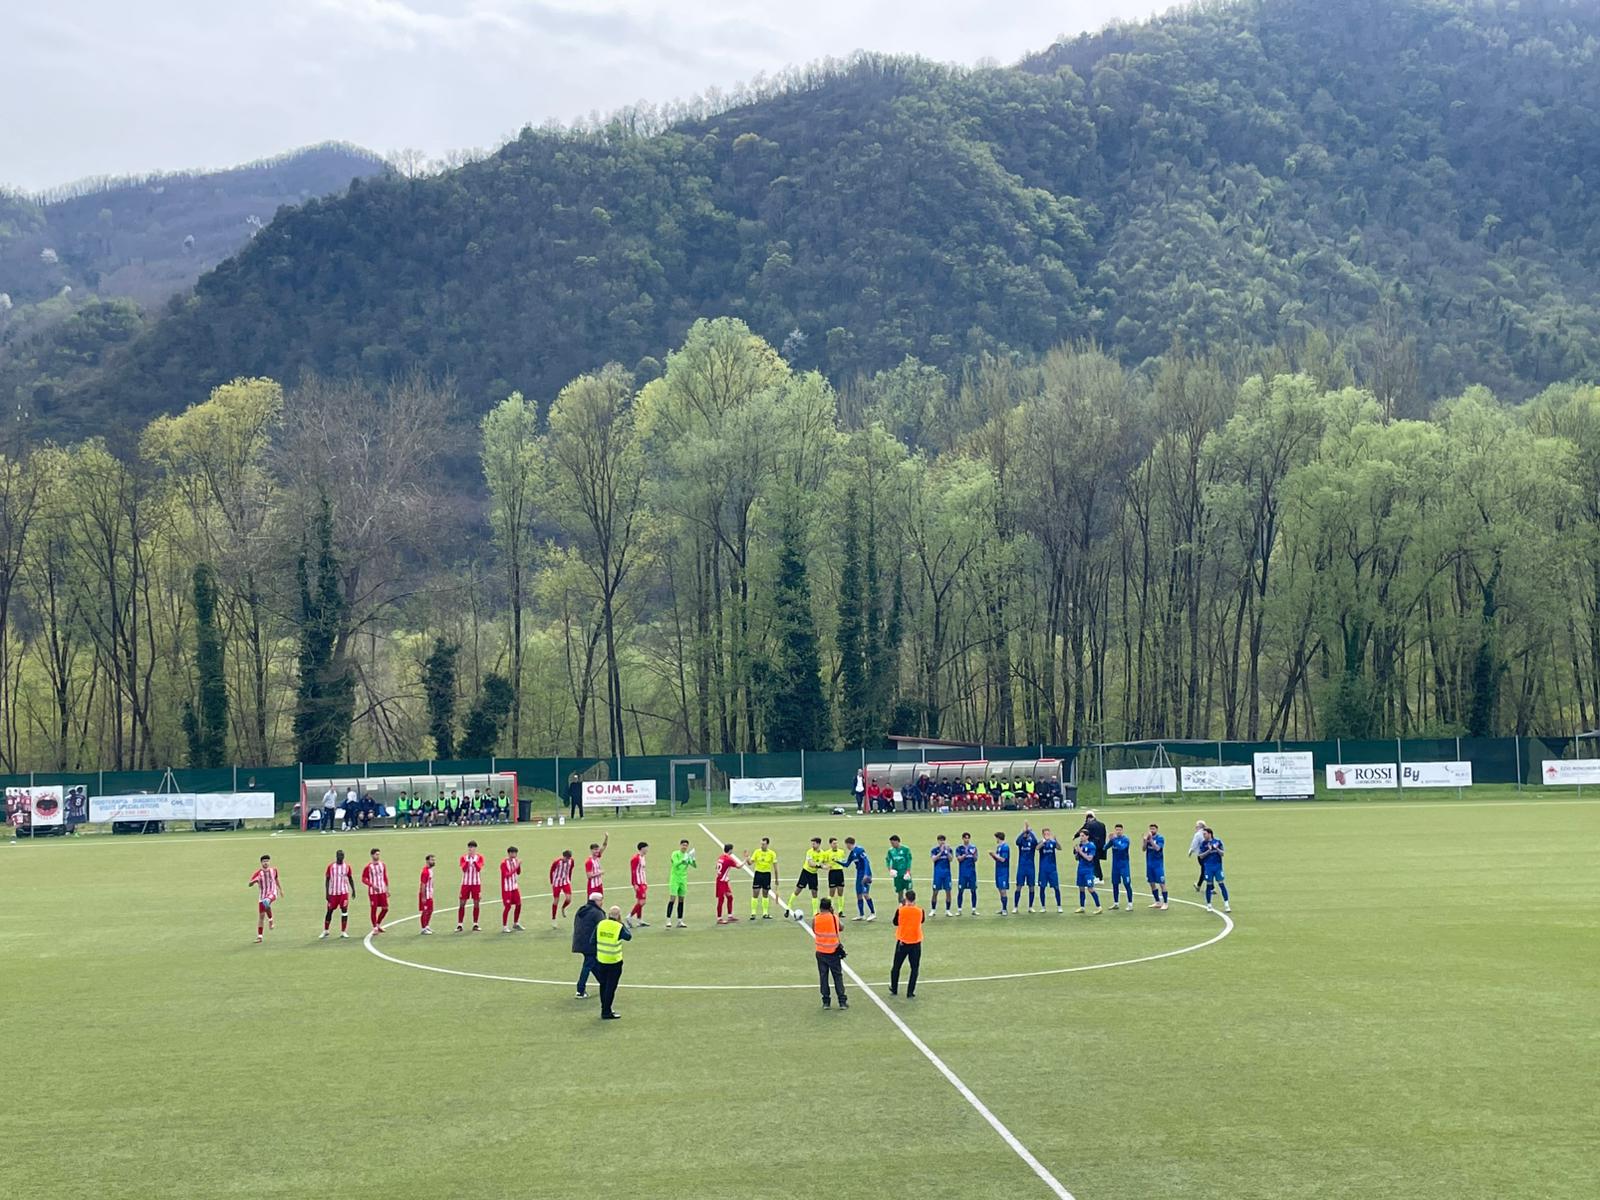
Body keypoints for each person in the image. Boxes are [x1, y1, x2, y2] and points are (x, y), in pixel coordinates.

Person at [593, 905, 633, 1020]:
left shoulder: (601, 924)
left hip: (601, 960)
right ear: (618, 916)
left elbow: (592, 940)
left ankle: (604, 1008)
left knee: (603, 985)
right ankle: (606, 1011)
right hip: (614, 961)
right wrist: (622, 924)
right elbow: (628, 937)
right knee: (611, 987)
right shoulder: (618, 927)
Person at [812, 897, 848, 1010]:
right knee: (837, 976)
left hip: (820, 951)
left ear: (820, 907)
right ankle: (842, 1001)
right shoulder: (834, 918)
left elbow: (814, 930)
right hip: (833, 952)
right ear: (830, 907)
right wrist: (833, 914)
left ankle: (826, 1001)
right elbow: (842, 928)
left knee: (823, 977)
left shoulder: (816, 919)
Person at [889, 889, 925, 999]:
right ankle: (910, 992)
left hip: (903, 942)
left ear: (906, 898)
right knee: (914, 968)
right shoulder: (920, 911)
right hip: (916, 943)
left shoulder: (901, 910)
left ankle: (894, 988)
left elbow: (895, 922)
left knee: (896, 966)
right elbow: (922, 921)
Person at [572, 895, 605, 999]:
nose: (602, 902)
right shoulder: (597, 913)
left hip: (580, 941)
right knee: (588, 964)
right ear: (595, 901)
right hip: (590, 943)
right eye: (601, 900)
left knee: (592, 963)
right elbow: (602, 927)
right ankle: (580, 990)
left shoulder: (582, 910)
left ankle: (604, 982)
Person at [788, 837, 827, 921]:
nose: (812, 845)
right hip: (805, 872)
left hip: (813, 874)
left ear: (818, 844)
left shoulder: (823, 853)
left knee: (814, 892)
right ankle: (788, 907)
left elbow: (824, 862)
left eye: (814, 843)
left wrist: (826, 866)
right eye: (812, 843)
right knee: (797, 891)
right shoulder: (809, 852)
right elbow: (810, 864)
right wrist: (820, 866)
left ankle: (815, 912)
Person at [248, 854, 280, 943]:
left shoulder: (274, 870)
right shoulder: (258, 873)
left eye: (267, 861)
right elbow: (249, 884)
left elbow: (276, 879)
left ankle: (270, 919)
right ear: (261, 863)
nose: (266, 863)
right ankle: (260, 936)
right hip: (262, 895)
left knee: (266, 901)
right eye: (264, 861)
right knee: (261, 916)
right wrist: (254, 881)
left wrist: (280, 889)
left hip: (272, 892)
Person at [1199, 826, 1231, 913]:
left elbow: (1222, 853)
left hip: (1217, 866)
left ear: (1210, 834)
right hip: (1208, 867)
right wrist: (1209, 850)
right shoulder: (1203, 844)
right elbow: (1201, 856)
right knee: (1209, 885)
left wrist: (1216, 848)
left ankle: (1226, 904)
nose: (1203, 836)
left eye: (1204, 834)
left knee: (1221, 884)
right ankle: (1209, 905)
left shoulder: (1218, 842)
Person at [322, 848, 353, 938]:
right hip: (333, 893)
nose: (341, 857)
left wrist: (353, 889)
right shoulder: (331, 867)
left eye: (342, 855)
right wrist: (327, 893)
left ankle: (343, 931)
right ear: (336, 856)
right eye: (340, 855)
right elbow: (327, 880)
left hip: (344, 892)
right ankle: (326, 930)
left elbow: (350, 878)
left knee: (344, 911)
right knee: (329, 911)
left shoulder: (347, 866)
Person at [843, 836, 875, 921]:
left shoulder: (860, 850)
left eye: (847, 845)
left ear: (850, 844)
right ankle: (861, 915)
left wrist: (866, 874)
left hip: (865, 874)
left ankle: (873, 913)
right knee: (859, 894)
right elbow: (846, 864)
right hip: (859, 875)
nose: (847, 847)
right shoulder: (852, 854)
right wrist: (836, 861)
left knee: (865, 894)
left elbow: (866, 862)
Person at [457, 840, 485, 932]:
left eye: (472, 847)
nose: (471, 849)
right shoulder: (463, 858)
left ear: (475, 848)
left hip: (476, 884)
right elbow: (464, 870)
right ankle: (460, 924)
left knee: (476, 903)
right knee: (462, 903)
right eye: (469, 847)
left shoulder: (479, 857)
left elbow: (478, 869)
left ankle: (475, 924)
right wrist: (468, 861)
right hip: (465, 883)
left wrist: (474, 861)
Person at [667, 838, 696, 927]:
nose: (684, 847)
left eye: (686, 845)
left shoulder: (687, 855)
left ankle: (680, 920)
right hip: (675, 879)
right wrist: (682, 861)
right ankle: (668, 920)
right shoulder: (675, 854)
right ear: (680, 845)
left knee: (681, 900)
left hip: (683, 880)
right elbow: (675, 864)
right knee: (672, 899)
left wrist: (693, 860)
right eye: (683, 845)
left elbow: (694, 866)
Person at [361, 847, 390, 933]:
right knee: (373, 909)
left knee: (385, 908)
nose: (378, 856)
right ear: (372, 855)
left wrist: (387, 889)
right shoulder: (368, 867)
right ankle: (374, 927)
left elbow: (385, 877)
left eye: (378, 854)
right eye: (376, 854)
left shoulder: (382, 865)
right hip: (373, 892)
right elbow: (363, 879)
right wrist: (372, 885)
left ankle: (378, 924)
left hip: (382, 890)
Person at [1013, 821, 1039, 913]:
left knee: (1031, 886)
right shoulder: (1021, 842)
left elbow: (1036, 842)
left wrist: (1030, 831)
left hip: (1031, 867)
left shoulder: (1032, 842)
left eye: (1027, 833)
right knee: (1018, 886)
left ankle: (1030, 906)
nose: (1026, 834)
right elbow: (1016, 841)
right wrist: (1023, 832)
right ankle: (1015, 906)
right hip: (1021, 867)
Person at [748, 837, 777, 919]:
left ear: (767, 844)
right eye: (761, 844)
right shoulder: (757, 852)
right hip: (758, 874)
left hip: (767, 875)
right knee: (755, 893)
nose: (762, 845)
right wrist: (747, 858)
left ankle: (765, 913)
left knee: (765, 894)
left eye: (763, 844)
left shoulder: (772, 853)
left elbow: (775, 867)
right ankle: (753, 913)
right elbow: (750, 863)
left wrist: (777, 879)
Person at [1074, 830, 1102, 914]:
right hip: (1080, 869)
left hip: (1088, 871)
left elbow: (1090, 858)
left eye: (1082, 836)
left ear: (1087, 836)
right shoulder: (1080, 845)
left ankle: (1099, 907)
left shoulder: (1091, 846)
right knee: (1081, 888)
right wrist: (1076, 852)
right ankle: (1082, 907)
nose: (1081, 837)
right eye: (1080, 836)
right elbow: (1077, 858)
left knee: (1090, 889)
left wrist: (1080, 851)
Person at [1142, 824, 1169, 909]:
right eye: (1150, 829)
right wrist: (1145, 841)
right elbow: (1143, 849)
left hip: (1158, 865)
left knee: (1162, 883)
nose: (1152, 830)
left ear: (1157, 830)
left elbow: (1157, 848)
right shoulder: (1148, 838)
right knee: (1151, 883)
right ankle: (1157, 901)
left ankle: (1165, 903)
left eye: (1153, 829)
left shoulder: (1160, 838)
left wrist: (1151, 840)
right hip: (1149, 865)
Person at [714, 843, 742, 924]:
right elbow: (739, 866)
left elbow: (716, 867)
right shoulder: (728, 859)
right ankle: (719, 918)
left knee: (730, 897)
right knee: (721, 899)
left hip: (723, 880)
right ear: (730, 850)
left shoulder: (721, 857)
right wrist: (745, 861)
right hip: (721, 882)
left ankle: (730, 916)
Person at [1108, 824, 1134, 911]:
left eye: (1120, 830)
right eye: (1117, 830)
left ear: (1122, 830)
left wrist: (1113, 841)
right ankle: (1116, 903)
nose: (1118, 831)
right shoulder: (1114, 840)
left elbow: (1122, 848)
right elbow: (1105, 848)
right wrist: (1109, 841)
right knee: (1115, 884)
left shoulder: (1125, 839)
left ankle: (1130, 903)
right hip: (1115, 866)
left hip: (1124, 865)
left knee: (1127, 884)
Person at [1038, 828, 1063, 912]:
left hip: (1052, 869)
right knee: (1042, 888)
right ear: (1043, 835)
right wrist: (1044, 841)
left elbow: (1060, 848)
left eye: (1048, 833)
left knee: (1056, 887)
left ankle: (1059, 906)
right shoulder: (1041, 842)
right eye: (1046, 834)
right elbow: (1037, 848)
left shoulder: (1052, 842)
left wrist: (1056, 841)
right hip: (1043, 870)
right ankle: (1043, 906)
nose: (1047, 835)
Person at [1078, 810, 1108, 881]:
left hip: (1092, 845)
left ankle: (1098, 877)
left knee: (1094, 861)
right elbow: (1104, 835)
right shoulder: (1102, 824)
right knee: (1096, 861)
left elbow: (1083, 831)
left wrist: (1075, 836)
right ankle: (1097, 876)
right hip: (1100, 845)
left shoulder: (1089, 824)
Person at [955, 832, 980, 915]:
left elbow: (976, 859)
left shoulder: (973, 848)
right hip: (962, 873)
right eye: (965, 838)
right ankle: (959, 909)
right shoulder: (959, 848)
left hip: (972, 873)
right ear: (962, 839)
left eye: (968, 838)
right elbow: (959, 859)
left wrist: (973, 855)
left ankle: (974, 909)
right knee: (960, 891)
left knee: (973, 890)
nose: (967, 839)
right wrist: (965, 854)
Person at [929, 834, 954, 916]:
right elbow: (933, 859)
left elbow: (951, 859)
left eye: (943, 840)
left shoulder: (949, 849)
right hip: (938, 874)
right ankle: (933, 910)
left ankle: (948, 910)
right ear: (938, 841)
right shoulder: (934, 850)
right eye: (940, 840)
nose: (941, 842)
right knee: (935, 892)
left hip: (947, 874)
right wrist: (941, 852)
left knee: (948, 892)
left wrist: (947, 852)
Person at [550, 849, 576, 926]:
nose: (568, 860)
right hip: (557, 882)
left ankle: (563, 908)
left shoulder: (571, 861)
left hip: (565, 882)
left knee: (568, 899)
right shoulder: (557, 862)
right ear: (563, 856)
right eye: (567, 858)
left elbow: (570, 869)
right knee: (556, 901)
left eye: (569, 858)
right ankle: (554, 918)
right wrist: (552, 881)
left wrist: (569, 879)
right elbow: (551, 871)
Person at [501, 845, 523, 932]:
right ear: (509, 853)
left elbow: (518, 872)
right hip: (507, 888)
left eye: (515, 853)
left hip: (514, 887)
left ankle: (516, 923)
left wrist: (518, 866)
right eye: (513, 853)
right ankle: (505, 926)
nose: (514, 855)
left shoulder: (515, 861)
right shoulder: (503, 863)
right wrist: (517, 866)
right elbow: (507, 875)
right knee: (508, 907)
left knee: (519, 904)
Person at [627, 841, 650, 927]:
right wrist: (634, 884)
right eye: (646, 848)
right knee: (642, 902)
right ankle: (629, 916)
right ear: (642, 848)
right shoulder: (636, 859)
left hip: (643, 883)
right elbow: (633, 871)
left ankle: (639, 920)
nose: (647, 849)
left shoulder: (643, 857)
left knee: (639, 902)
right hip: (638, 883)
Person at [990, 831, 1011, 915]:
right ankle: (1003, 908)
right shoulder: (999, 847)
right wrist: (992, 856)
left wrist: (994, 854)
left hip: (1003, 871)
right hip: (998, 870)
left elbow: (1003, 859)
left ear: (998, 838)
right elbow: (997, 859)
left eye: (996, 838)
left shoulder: (1005, 847)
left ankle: (1005, 909)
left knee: (1003, 890)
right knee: (999, 889)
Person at [584, 835, 609, 902]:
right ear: (591, 850)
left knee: (600, 901)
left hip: (599, 884)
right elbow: (589, 876)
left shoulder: (597, 857)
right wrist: (599, 873)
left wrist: (606, 838)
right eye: (595, 850)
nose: (597, 851)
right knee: (591, 903)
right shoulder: (589, 862)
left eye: (597, 849)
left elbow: (604, 846)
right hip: (593, 886)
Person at [419, 853, 437, 933]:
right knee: (425, 911)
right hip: (425, 894)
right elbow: (423, 885)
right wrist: (423, 896)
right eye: (432, 860)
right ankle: (423, 928)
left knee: (430, 910)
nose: (433, 861)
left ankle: (426, 926)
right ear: (427, 861)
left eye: (434, 860)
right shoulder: (425, 872)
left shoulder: (430, 870)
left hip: (429, 894)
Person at [1188, 819, 1208, 891]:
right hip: (1209, 854)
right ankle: (1202, 886)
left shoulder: (1198, 834)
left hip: (1201, 855)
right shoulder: (1207, 832)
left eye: (1196, 826)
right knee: (1206, 870)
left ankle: (1204, 886)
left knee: (1205, 870)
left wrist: (1190, 851)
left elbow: (1194, 844)